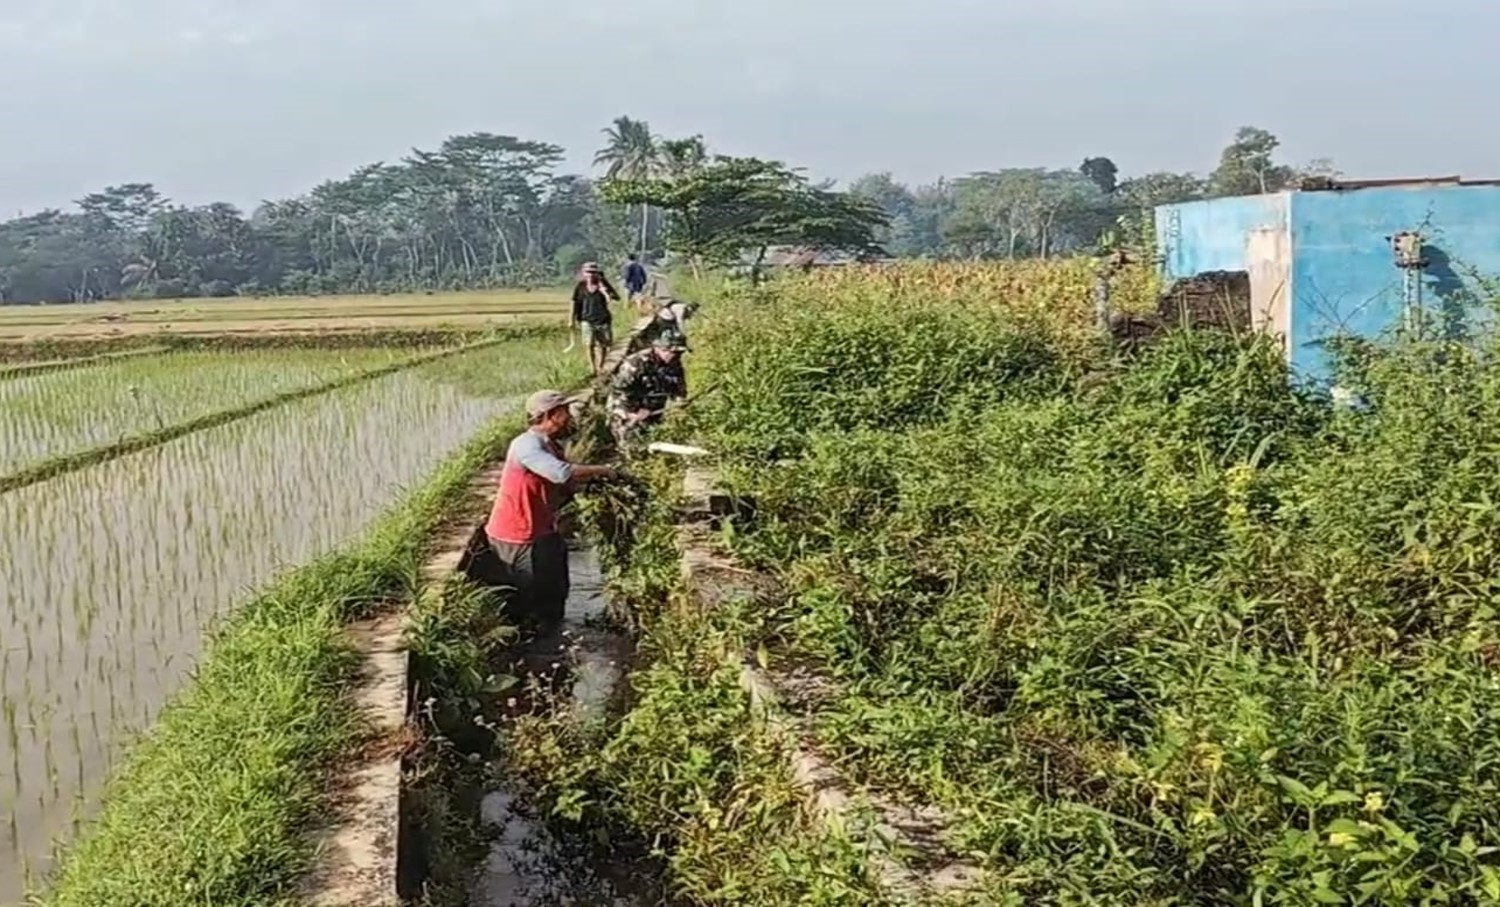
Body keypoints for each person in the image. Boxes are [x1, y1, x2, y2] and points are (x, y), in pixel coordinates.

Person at [485, 389, 617, 629]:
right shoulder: (526, 445)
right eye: (564, 412)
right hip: (519, 535)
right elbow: (560, 473)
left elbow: (563, 486)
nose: (569, 417)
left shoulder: (551, 446)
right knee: (530, 599)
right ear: (550, 415)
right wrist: (604, 470)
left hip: (544, 528)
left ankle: (557, 641)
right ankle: (534, 650)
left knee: (556, 590)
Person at [607, 329, 688, 444]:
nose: (678, 357)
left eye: (680, 354)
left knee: (656, 442)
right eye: (674, 353)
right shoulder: (636, 362)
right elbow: (619, 389)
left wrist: (679, 405)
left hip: (654, 411)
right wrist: (635, 410)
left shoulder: (674, 365)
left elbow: (679, 390)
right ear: (660, 349)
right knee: (632, 445)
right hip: (628, 411)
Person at [570, 263, 620, 374]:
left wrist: (605, 288)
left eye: (593, 272)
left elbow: (616, 297)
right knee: (588, 344)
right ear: (583, 273)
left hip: (602, 319)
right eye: (588, 272)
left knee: (604, 345)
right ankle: (592, 367)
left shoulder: (603, 286)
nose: (590, 275)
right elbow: (574, 302)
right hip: (586, 319)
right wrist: (571, 320)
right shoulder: (580, 287)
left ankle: (600, 365)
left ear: (597, 273)